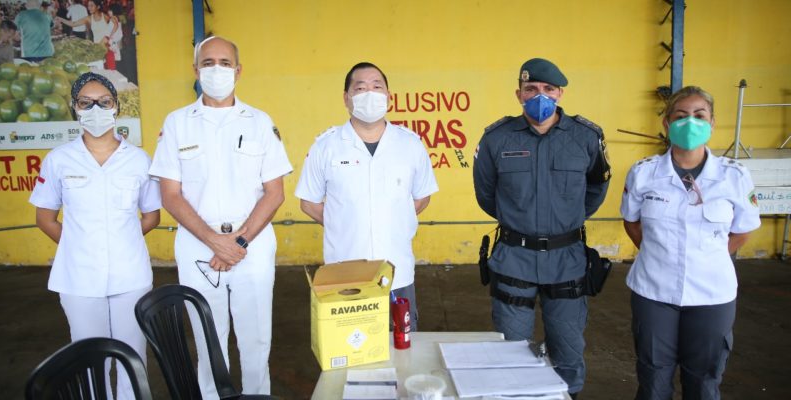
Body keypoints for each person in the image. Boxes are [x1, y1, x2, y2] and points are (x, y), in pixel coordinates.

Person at [149, 36, 291, 398]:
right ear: (195, 70)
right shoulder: (177, 123)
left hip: (251, 246)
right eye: (208, 63)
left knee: (256, 340)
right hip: (198, 246)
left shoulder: (260, 122)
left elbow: (275, 193)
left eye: (225, 63)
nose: (217, 70)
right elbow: (170, 195)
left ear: (238, 71)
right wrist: (215, 241)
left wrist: (237, 242)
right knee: (207, 337)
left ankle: (257, 396)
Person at [473, 58, 611, 398]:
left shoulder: (586, 138)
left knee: (568, 351)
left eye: (548, 89)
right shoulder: (497, 139)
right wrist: (521, 223)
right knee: (512, 351)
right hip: (514, 258)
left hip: (567, 260)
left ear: (560, 93)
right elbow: (486, 194)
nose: (540, 95)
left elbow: (595, 189)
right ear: (518, 94)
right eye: (531, 89)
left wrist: (563, 222)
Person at [621, 86, 761, 400]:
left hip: (712, 293)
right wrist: (660, 254)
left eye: (700, 115)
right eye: (681, 116)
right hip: (654, 290)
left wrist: (708, 256)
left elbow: (743, 230)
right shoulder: (644, 173)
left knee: (704, 378)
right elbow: (631, 222)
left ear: (712, 123)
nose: (690, 123)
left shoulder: (733, 176)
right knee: (653, 374)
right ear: (667, 123)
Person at [29, 72, 160, 400]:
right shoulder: (59, 160)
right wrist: (80, 244)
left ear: (116, 107)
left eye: (104, 101)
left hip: (130, 275)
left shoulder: (139, 160)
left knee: (132, 358)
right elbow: (45, 218)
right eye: (86, 103)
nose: (96, 109)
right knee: (89, 360)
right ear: (74, 108)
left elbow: (151, 216)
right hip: (79, 279)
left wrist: (120, 239)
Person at [295, 62, 438, 331]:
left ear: (389, 97)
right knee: (348, 348)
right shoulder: (326, 147)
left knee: (402, 347)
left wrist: (387, 218)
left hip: (397, 274)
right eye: (360, 88)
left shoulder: (410, 144)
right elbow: (309, 202)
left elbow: (421, 197)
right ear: (346, 98)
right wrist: (344, 221)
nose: (369, 94)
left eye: (376, 87)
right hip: (344, 274)